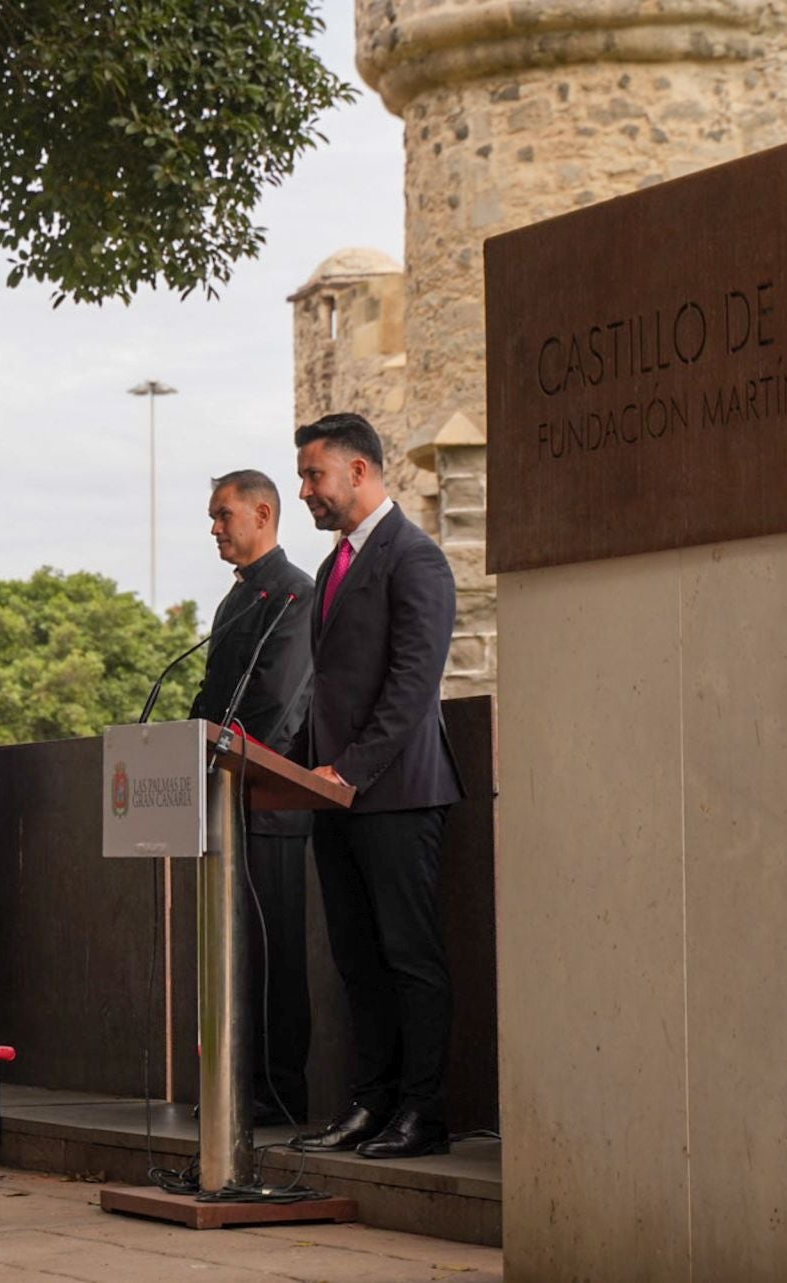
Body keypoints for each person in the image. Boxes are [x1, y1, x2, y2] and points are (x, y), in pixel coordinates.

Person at [287, 411, 464, 1160]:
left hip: (396, 794)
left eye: (313, 475)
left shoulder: (415, 558)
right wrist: (294, 766)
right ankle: (372, 1103)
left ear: (359, 471)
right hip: (334, 799)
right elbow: (328, 690)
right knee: (356, 959)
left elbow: (412, 688)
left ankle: (424, 1113)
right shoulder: (333, 567)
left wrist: (348, 770)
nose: (304, 491)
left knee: (409, 955)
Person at [188, 469, 315, 1125]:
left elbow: (278, 706)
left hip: (269, 801)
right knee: (230, 949)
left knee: (274, 952)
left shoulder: (297, 595)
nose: (213, 528)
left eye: (223, 514)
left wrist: (229, 759)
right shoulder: (233, 601)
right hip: (222, 798)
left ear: (262, 513)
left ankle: (279, 1090)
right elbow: (215, 695)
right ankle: (235, 1081)